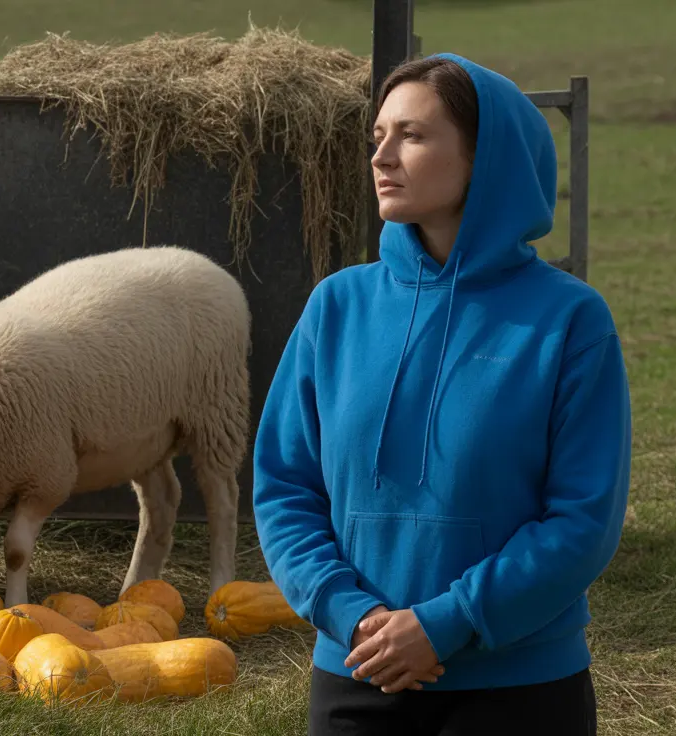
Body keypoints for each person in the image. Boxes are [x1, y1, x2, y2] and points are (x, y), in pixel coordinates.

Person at [251, 52, 631, 735]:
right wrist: (353, 616)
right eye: (378, 137)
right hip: (357, 671)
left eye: (413, 136)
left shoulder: (569, 320)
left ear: (489, 159)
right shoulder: (336, 308)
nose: (383, 156)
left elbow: (583, 521)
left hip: (518, 683)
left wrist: (449, 622)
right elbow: (284, 486)